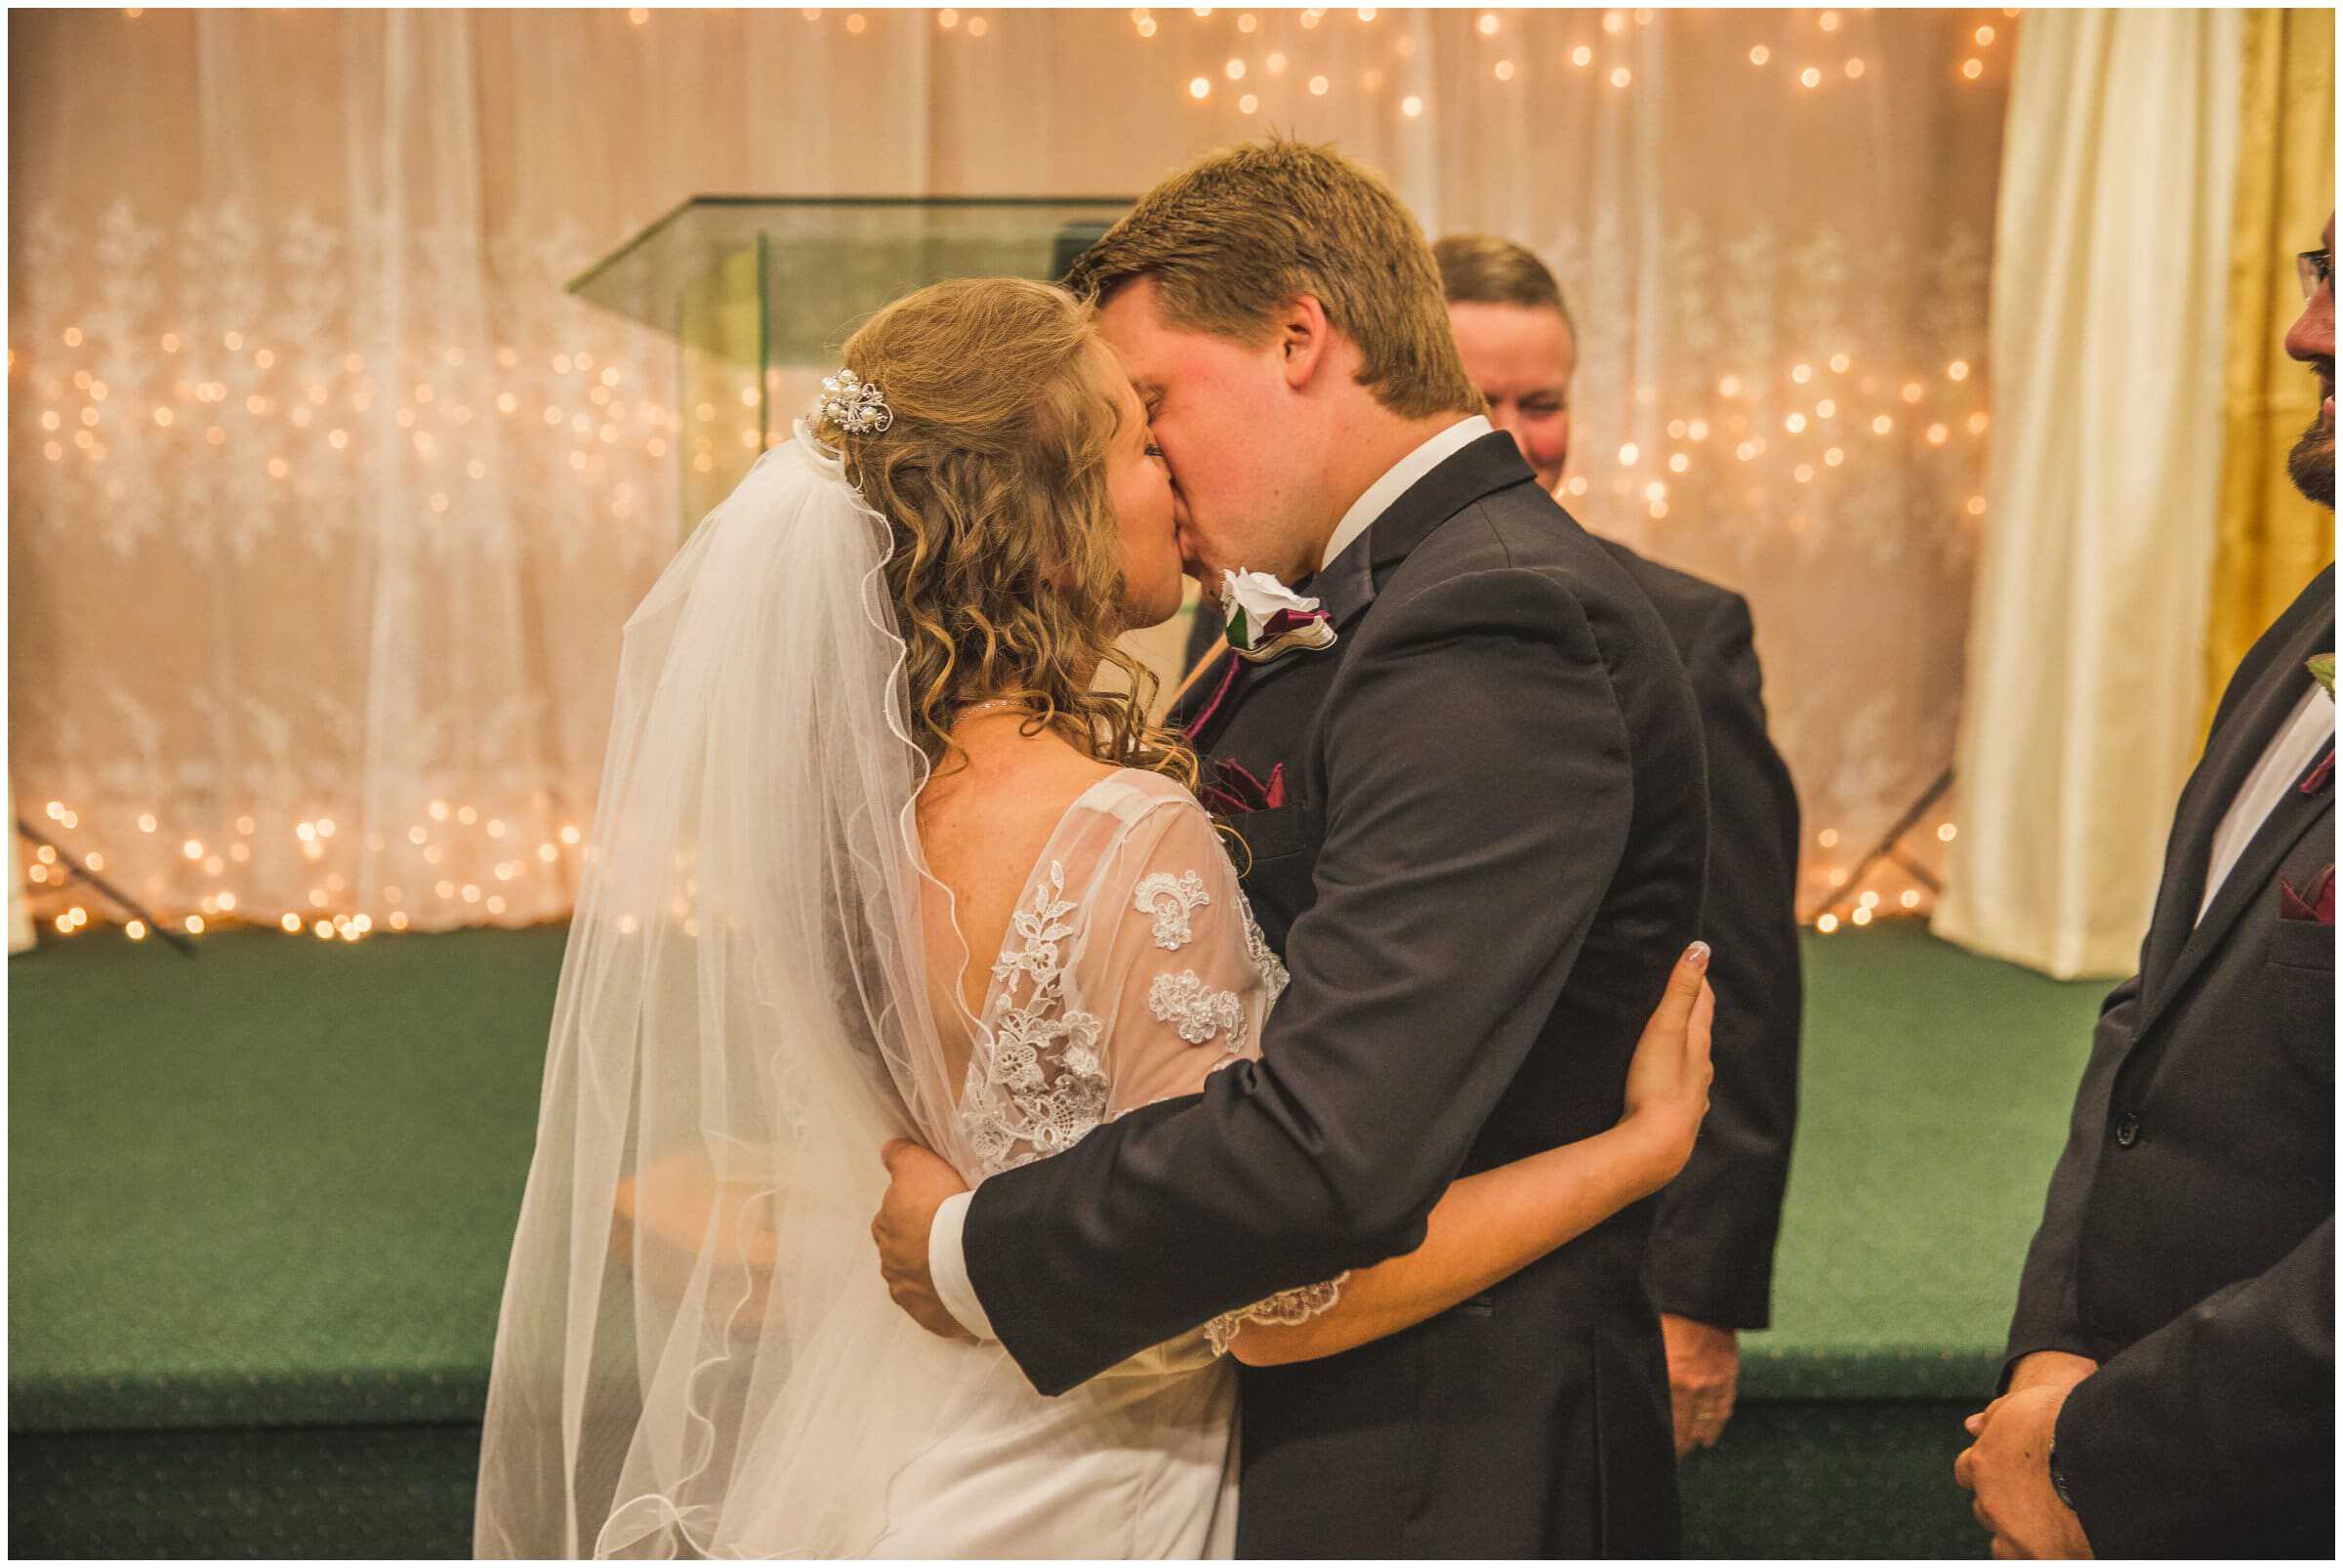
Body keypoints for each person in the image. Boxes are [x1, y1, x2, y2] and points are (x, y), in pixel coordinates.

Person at [471, 273, 1718, 1557]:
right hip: (1088, 1481)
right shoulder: (1120, 834)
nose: (1171, 473)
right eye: (1137, 439)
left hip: (912, 1447)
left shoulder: (849, 821)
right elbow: (1277, 1297)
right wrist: (1634, 1153)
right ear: (1053, 526)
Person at [874, 140, 1713, 1556]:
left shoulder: (1492, 616)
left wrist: (969, 1245)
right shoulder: (1365, 597)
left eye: (1150, 406)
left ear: (1299, 336)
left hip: (1442, 1451)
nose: (1145, 464)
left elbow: (1335, 1144)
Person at [1955, 215, 2337, 1558]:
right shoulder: (2313, 624)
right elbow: (2149, 1024)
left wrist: (2101, 1448)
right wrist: (2055, 1352)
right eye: (2318, 275)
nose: (2306, 332)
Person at [1431, 232, 1804, 1458]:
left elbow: (1736, 978)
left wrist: (1699, 1295)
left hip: (1582, 1238)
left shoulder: (1682, 636)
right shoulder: (1293, 619)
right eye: (1474, 401)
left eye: (1542, 404)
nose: (1515, 437)